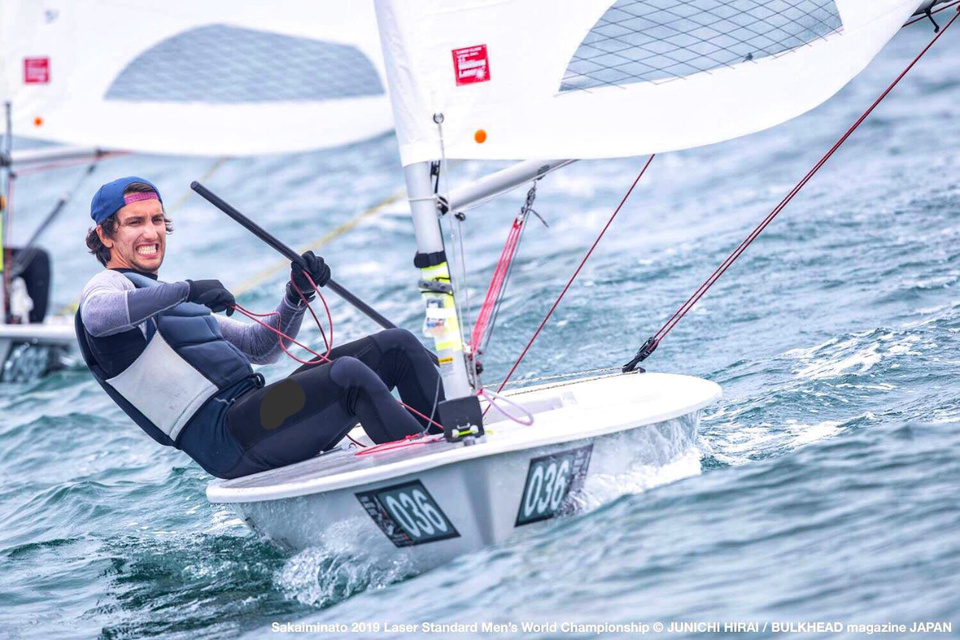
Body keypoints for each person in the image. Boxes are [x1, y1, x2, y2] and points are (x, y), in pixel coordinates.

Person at [76, 176, 444, 479]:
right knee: (347, 375)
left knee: (396, 346)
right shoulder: (108, 288)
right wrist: (187, 290)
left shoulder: (166, 298)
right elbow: (98, 316)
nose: (152, 232)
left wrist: (296, 296)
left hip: (257, 414)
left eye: (157, 220)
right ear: (106, 236)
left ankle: (455, 441)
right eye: (135, 222)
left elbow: (261, 346)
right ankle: (430, 475)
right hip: (229, 439)